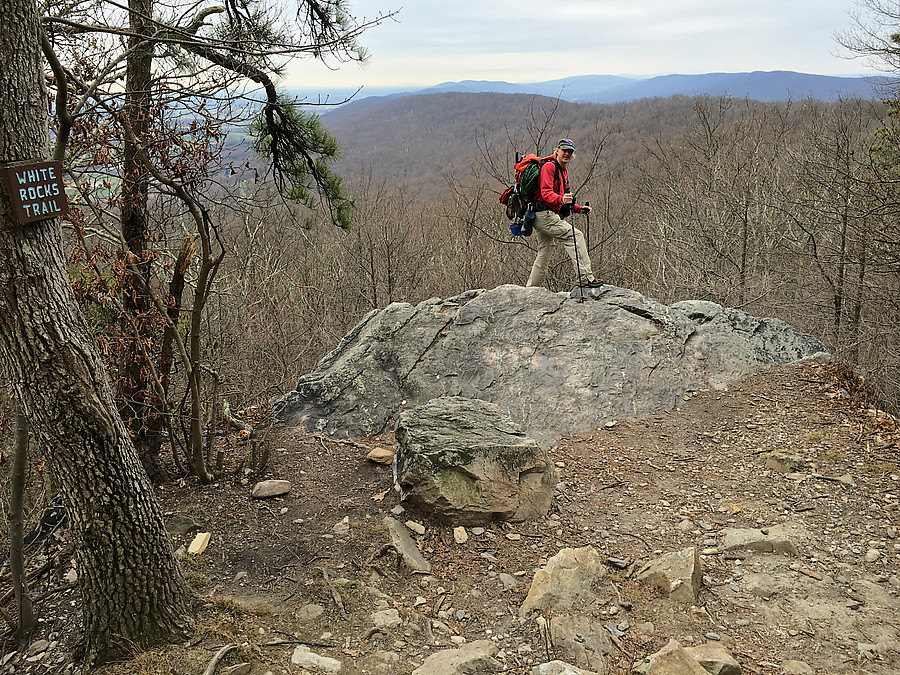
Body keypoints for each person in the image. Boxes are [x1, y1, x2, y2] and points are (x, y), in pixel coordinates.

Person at [525, 139, 601, 288]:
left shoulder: (562, 170)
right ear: (557, 151)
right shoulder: (549, 167)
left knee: (544, 252)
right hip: (544, 215)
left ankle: (530, 289)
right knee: (575, 236)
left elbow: (564, 200)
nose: (567, 154)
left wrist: (579, 209)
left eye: (570, 151)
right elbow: (546, 193)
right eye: (564, 150)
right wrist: (561, 199)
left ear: (572, 155)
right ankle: (586, 278)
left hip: (544, 215)